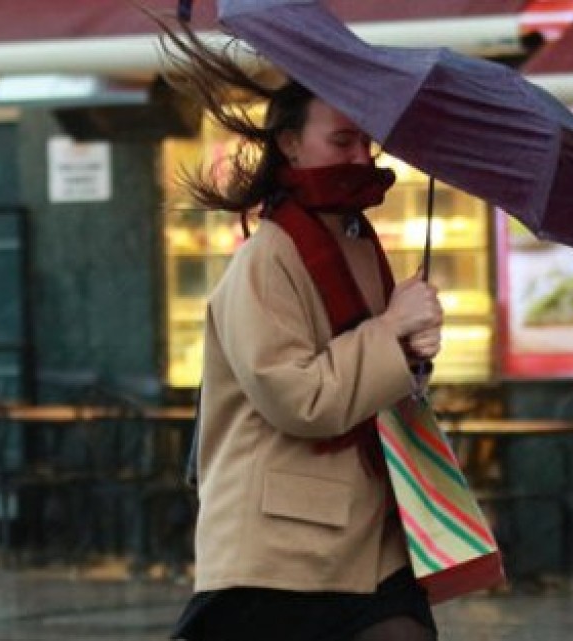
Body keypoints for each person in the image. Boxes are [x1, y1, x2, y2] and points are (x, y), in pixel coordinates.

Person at [157, 22, 445, 641]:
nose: (360, 157)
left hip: (367, 536)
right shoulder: (267, 257)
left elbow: (366, 373)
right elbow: (300, 397)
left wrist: (413, 350)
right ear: (290, 143)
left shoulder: (355, 238)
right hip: (281, 550)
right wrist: (392, 329)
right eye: (342, 140)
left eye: (366, 141)